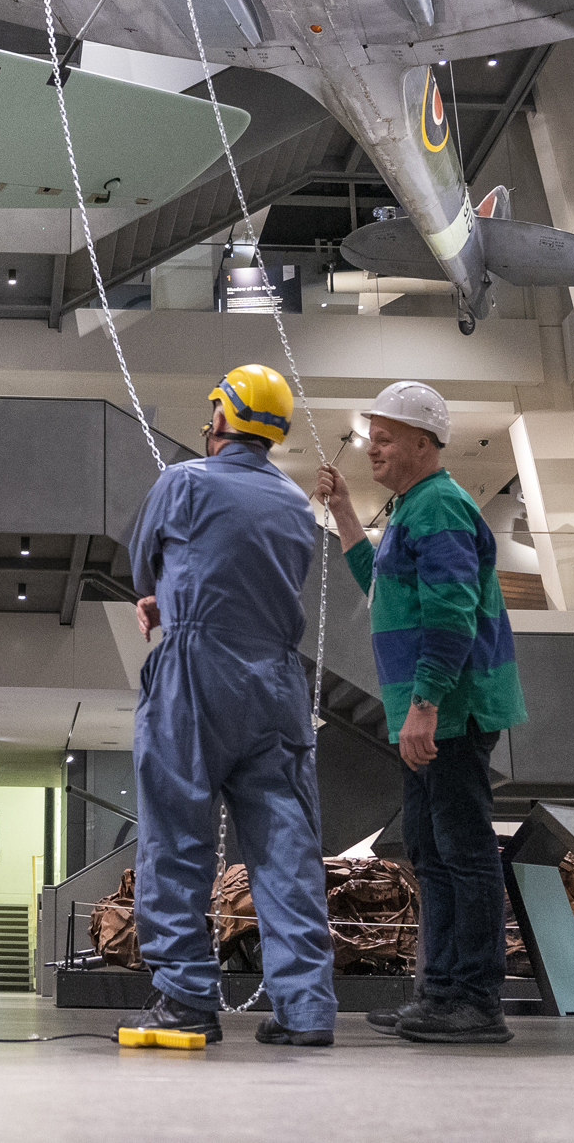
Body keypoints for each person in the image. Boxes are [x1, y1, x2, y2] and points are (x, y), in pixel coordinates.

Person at [119, 364, 338, 1048]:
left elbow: (141, 565)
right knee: (283, 847)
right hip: (275, 681)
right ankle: (305, 1008)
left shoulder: (182, 480)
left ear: (219, 417)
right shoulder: (295, 503)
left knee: (177, 836)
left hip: (195, 670)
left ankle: (186, 996)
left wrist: (168, 597)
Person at [316, 381, 526, 1047]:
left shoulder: (437, 507)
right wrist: (345, 510)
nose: (370, 444)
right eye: (369, 433)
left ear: (421, 441)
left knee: (462, 852)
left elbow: (450, 612)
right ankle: (440, 992)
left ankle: (473, 999)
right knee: (432, 847)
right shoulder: (412, 507)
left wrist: (426, 704)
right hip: (432, 709)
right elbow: (378, 582)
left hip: (451, 710)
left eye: (383, 435)